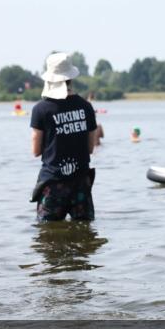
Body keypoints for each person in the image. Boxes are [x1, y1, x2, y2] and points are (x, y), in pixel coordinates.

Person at [29, 53, 101, 222]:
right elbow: (90, 148)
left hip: (54, 183)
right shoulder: (86, 107)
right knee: (84, 232)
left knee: (47, 235)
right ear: (70, 78)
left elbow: (36, 150)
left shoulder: (41, 109)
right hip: (80, 182)